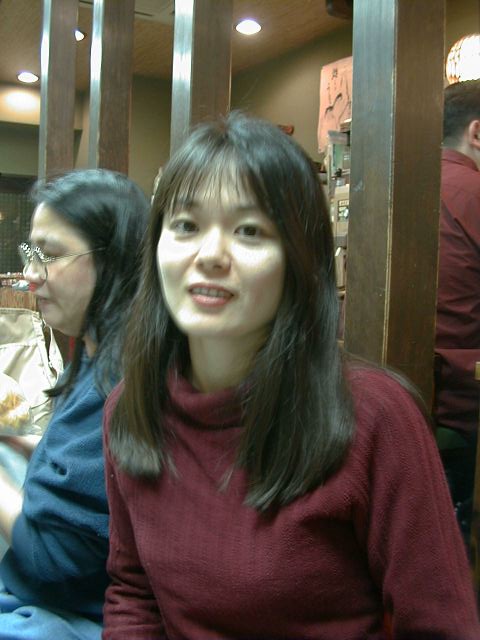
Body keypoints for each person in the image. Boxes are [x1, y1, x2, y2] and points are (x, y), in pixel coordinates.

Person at [102, 112, 479, 639]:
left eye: (250, 231)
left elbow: (443, 626)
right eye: (186, 225)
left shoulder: (375, 417)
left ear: (299, 258)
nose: (210, 255)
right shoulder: (131, 407)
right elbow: (133, 591)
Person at [0, 169, 149, 639]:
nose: (31, 274)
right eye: (31, 253)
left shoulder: (124, 379)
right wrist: (21, 444)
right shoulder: (93, 349)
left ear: (114, 260)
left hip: (69, 611)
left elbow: (54, 564)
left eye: (50, 255)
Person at [434, 79, 480, 541]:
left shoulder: (402, 185)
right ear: (477, 133)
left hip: (394, 391)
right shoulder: (473, 190)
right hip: (460, 405)